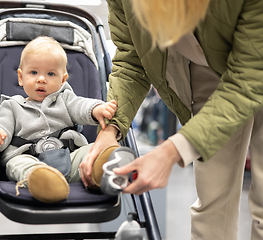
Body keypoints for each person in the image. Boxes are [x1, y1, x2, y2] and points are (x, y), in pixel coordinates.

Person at [79, 0, 263, 239]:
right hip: (205, 69)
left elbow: (248, 80)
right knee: (212, 205)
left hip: (255, 62)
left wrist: (171, 152)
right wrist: (109, 130)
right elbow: (132, 60)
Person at [0, 36, 117, 204]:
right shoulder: (11, 106)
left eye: (51, 74)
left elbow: (80, 106)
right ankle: (42, 181)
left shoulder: (65, 98)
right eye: (33, 72)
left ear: (62, 80)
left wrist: (96, 109)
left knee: (93, 150)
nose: (41, 79)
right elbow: (0, 126)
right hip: (30, 158)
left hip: (70, 158)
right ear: (20, 77)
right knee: (16, 163)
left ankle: (98, 171)